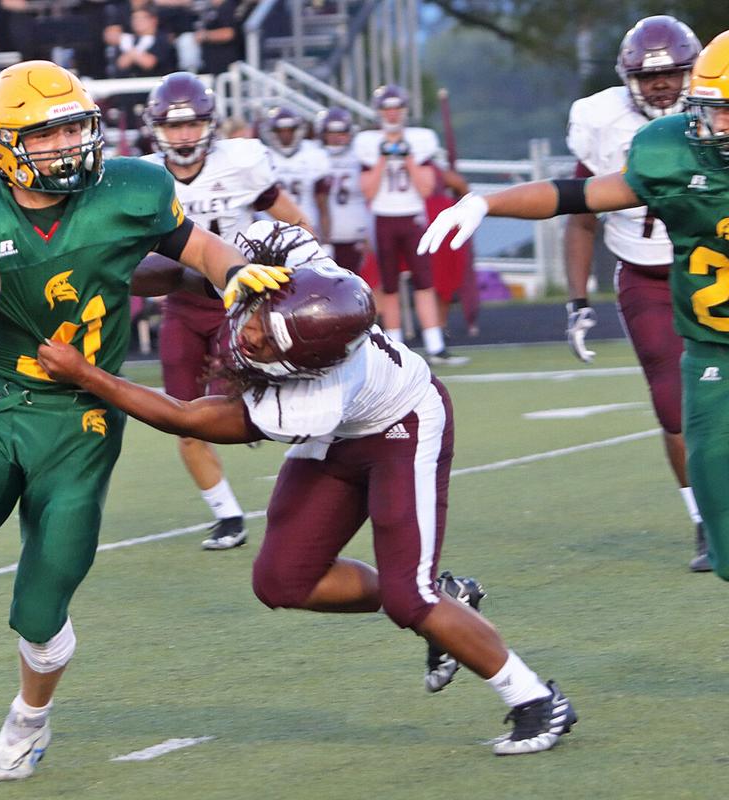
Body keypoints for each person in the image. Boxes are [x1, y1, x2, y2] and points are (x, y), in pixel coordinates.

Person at [0, 59, 279, 781]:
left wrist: (235, 274)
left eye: (75, 128)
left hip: (84, 418)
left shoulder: (131, 189)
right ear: (1, 142)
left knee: (42, 600)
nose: (68, 146)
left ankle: (28, 723)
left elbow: (201, 249)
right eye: (46, 134)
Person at [35, 220, 578, 756]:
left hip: (401, 429)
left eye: (267, 342)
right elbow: (185, 272)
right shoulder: (289, 262)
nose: (248, 334)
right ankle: (447, 598)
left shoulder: (314, 395)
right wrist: (95, 273)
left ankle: (534, 698)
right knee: (282, 580)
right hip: (345, 429)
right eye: (260, 320)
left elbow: (187, 418)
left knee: (410, 598)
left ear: (301, 365)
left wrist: (89, 376)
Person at [420, 30, 729, 583]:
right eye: (711, 111)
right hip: (709, 344)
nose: (714, 126)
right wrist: (488, 202)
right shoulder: (671, 149)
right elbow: (578, 197)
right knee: (717, 504)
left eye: (727, 112)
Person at [141, 71, 311, 550]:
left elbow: (296, 221)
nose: (184, 135)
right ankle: (228, 514)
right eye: (174, 127)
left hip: (241, 302)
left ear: (210, 124)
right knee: (182, 414)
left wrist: (306, 272)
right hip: (181, 302)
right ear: (157, 129)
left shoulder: (242, 162)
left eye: (193, 124)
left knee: (247, 408)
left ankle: (309, 489)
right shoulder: (144, 178)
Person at [562, 16, 708, 572]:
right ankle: (704, 520)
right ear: (628, 78)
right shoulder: (601, 122)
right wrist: (578, 300)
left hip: (711, 265)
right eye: (650, 78)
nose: (661, 86)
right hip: (645, 276)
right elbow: (577, 215)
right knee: (673, 402)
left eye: (672, 73)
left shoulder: (714, 110)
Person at [355, 84, 467, 365]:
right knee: (389, 285)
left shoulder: (420, 140)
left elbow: (426, 188)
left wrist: (407, 157)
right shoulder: (368, 143)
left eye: (396, 109)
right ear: (379, 112)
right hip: (383, 217)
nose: (392, 115)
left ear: (404, 111)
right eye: (387, 109)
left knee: (424, 281)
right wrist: (384, 156)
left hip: (413, 216)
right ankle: (395, 347)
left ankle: (435, 345)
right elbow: (367, 190)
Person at [260, 105, 331, 242]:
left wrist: (326, 241)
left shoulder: (314, 154)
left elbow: (323, 205)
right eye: (280, 131)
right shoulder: (261, 156)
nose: (285, 135)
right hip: (270, 234)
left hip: (305, 230)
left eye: (290, 130)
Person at [317, 106, 370, 274]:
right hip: (321, 233)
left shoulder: (359, 155)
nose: (335, 138)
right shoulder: (313, 155)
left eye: (341, 133)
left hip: (353, 232)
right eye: (330, 133)